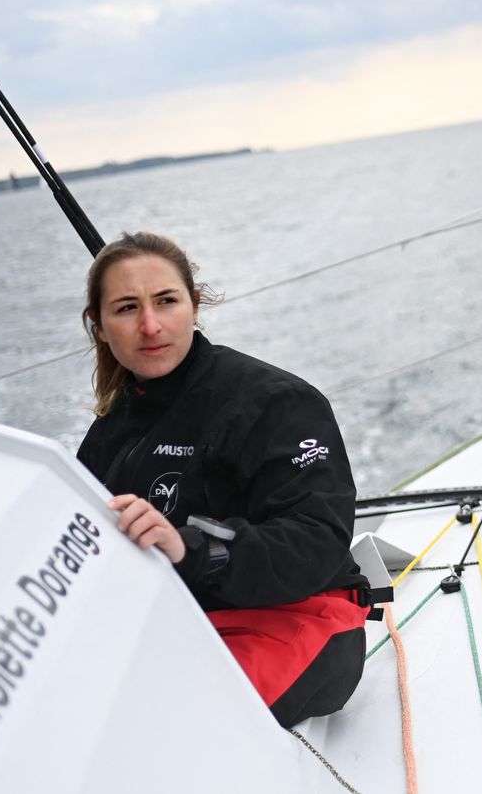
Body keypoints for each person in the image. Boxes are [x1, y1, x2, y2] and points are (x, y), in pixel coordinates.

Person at [75, 231, 370, 728]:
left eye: (166, 301)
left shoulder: (275, 402)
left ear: (194, 305)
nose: (150, 326)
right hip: (180, 620)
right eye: (126, 308)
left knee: (164, 726)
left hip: (298, 615)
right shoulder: (111, 430)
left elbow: (317, 539)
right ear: (99, 327)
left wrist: (191, 549)